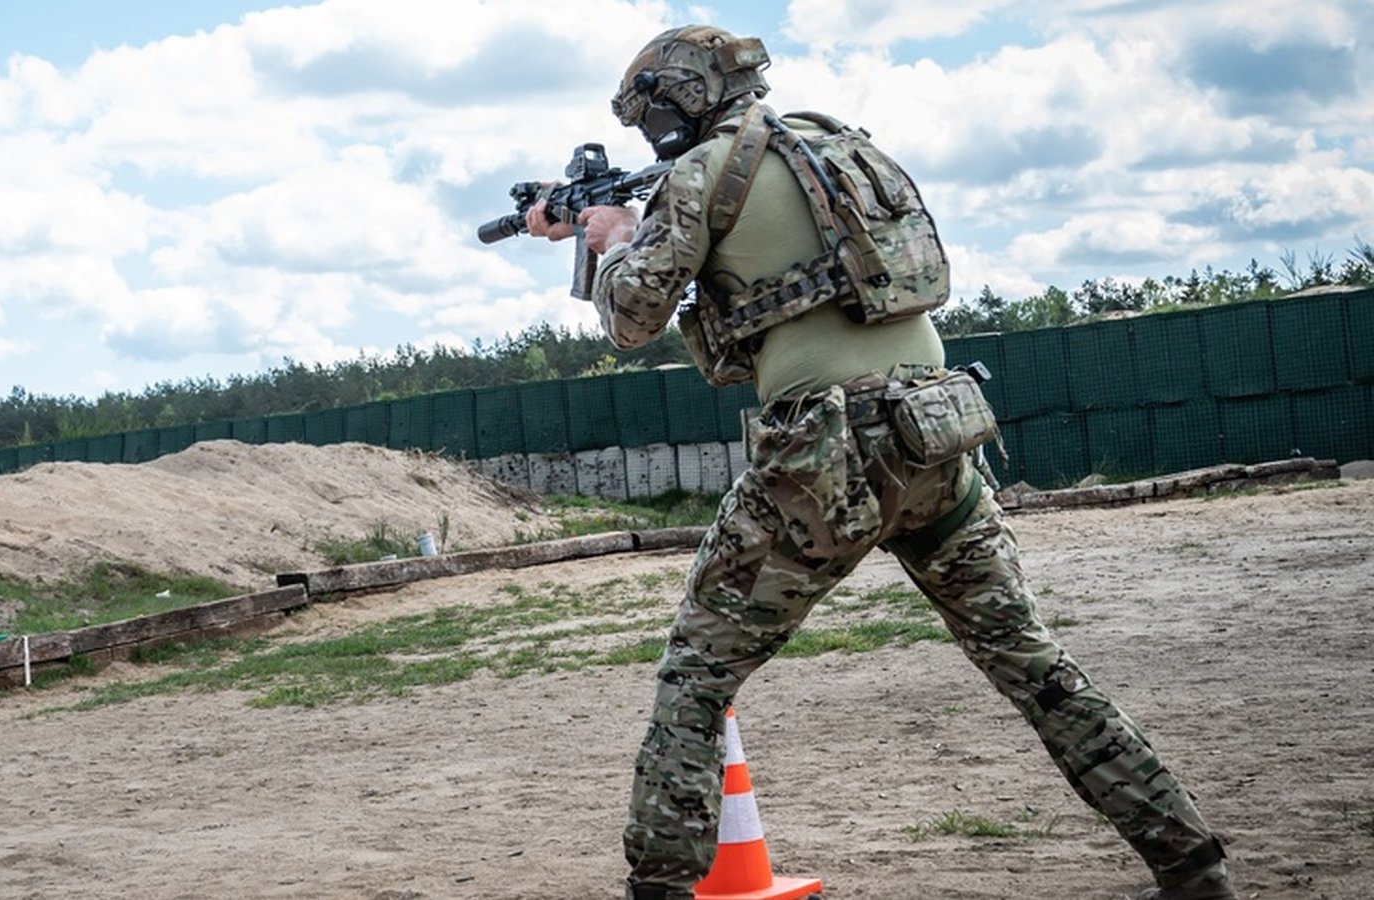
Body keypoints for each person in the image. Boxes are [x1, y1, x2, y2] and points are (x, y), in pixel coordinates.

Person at [523, 25, 1234, 900]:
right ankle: (1192, 865)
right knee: (1029, 660)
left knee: (697, 675)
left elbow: (633, 319)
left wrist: (610, 242)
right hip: (934, 426)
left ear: (678, 101)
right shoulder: (841, 146)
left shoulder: (700, 176)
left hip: (825, 449)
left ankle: (661, 888)